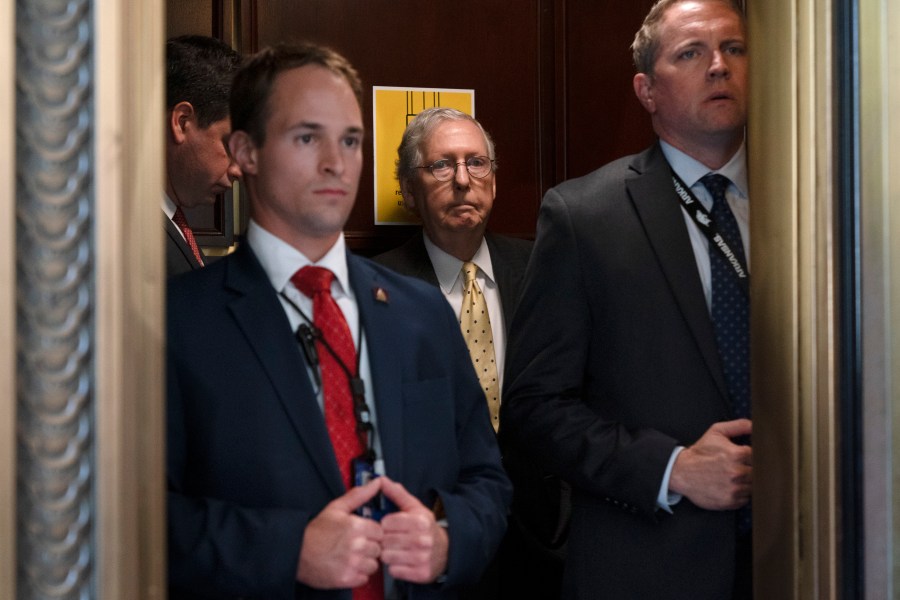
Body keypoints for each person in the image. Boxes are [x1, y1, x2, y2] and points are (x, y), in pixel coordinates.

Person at [165, 42, 512, 600]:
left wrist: (448, 540)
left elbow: (487, 482)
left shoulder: (422, 314)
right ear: (245, 151)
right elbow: (137, 518)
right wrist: (288, 550)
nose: (336, 162)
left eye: (350, 140)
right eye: (308, 137)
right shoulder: (177, 324)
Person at [501, 1, 752, 598]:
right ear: (646, 89)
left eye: (735, 49)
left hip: (812, 556)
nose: (718, 66)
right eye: (691, 53)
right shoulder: (585, 215)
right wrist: (673, 469)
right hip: (650, 564)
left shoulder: (816, 205)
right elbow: (534, 407)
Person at [374, 107, 565, 600]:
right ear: (409, 191)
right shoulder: (376, 289)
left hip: (541, 539)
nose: (463, 180)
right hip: (432, 533)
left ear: (495, 183)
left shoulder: (545, 271)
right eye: (442, 165)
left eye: (476, 163)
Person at [164, 35, 243, 276]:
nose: (238, 170)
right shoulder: (130, 237)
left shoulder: (173, 222)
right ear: (182, 122)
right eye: (230, 146)